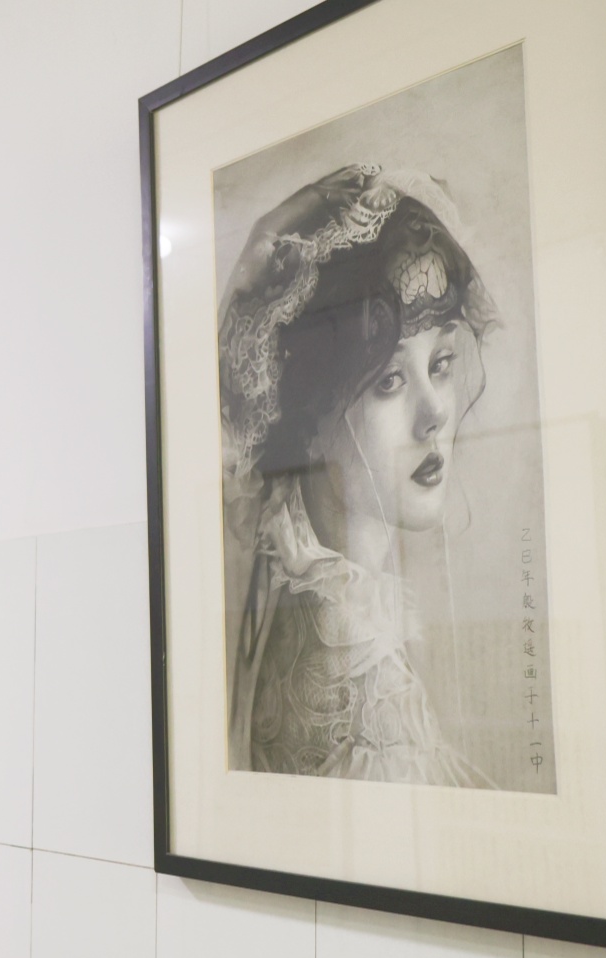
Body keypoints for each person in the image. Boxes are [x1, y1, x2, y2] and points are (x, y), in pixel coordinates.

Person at [219, 164, 495, 787]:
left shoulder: (316, 608)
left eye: (442, 363)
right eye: (390, 380)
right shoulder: (366, 690)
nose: (434, 413)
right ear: (312, 416)